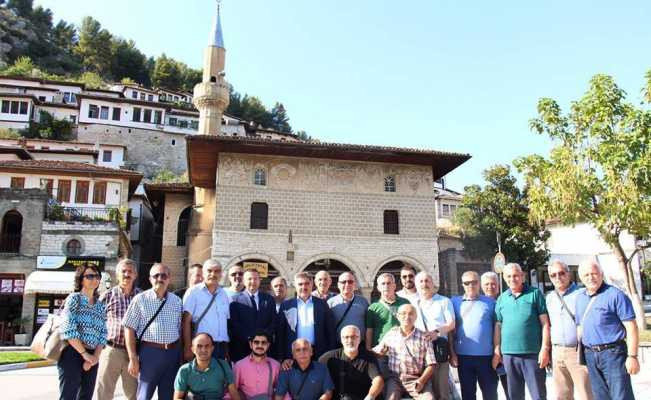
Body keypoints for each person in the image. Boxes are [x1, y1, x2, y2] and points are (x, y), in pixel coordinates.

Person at [576, 260, 639, 400]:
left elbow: (632, 327)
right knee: (600, 397)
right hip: (591, 355)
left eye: (594, 273)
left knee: (621, 396)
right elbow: (580, 327)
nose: (591, 277)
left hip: (613, 354)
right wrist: (581, 356)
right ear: (581, 278)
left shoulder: (616, 295)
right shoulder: (580, 298)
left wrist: (632, 357)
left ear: (601, 274)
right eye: (586, 275)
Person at [123, 263, 183, 400]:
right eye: (156, 275)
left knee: (168, 395)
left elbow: (179, 329)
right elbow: (129, 328)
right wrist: (133, 358)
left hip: (172, 354)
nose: (160, 278)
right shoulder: (140, 299)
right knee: (144, 395)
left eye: (164, 275)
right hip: (150, 354)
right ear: (150, 279)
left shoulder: (177, 301)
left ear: (169, 278)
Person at [493, 263, 550, 400]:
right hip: (509, 356)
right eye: (509, 276)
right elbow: (498, 326)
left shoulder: (535, 294)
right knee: (514, 396)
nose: (513, 279)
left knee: (538, 395)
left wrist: (545, 349)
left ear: (522, 276)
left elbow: (545, 324)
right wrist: (497, 350)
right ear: (505, 279)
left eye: (516, 275)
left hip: (532, 354)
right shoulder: (501, 299)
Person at [58, 263, 107, 400]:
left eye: (97, 276)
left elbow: (103, 333)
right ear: (81, 280)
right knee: (69, 395)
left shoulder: (100, 305)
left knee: (86, 396)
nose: (94, 279)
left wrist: (95, 357)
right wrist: (84, 354)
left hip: (92, 354)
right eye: (90, 276)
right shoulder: (74, 299)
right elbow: (68, 329)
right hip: (72, 353)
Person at [545, 261, 593, 400]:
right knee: (562, 395)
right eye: (553, 275)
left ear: (569, 274)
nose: (558, 277)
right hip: (557, 352)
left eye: (561, 273)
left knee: (586, 393)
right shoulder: (549, 297)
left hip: (578, 352)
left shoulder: (582, 294)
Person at [96, 259, 142, 400]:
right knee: (104, 391)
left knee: (133, 392)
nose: (127, 274)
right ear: (117, 275)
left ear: (135, 275)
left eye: (130, 271)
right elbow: (97, 322)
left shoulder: (142, 297)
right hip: (111, 350)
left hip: (133, 353)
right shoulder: (107, 296)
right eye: (123, 271)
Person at [450, 271, 498, 400]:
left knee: (490, 394)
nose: (471, 285)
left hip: (487, 357)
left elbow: (497, 328)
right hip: (463, 357)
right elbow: (450, 330)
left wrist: (497, 352)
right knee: (468, 394)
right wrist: (452, 353)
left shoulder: (490, 302)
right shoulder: (454, 302)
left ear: (479, 284)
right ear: (462, 285)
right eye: (467, 283)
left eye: (474, 282)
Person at [373, 304, 435, 400]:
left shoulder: (424, 337)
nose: (407, 317)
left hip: (416, 378)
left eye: (411, 314)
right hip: (395, 379)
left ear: (415, 317)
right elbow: (377, 351)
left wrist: (421, 381)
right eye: (403, 314)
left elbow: (431, 364)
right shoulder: (391, 334)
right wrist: (379, 353)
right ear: (398, 316)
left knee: (429, 398)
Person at [276, 272, 336, 362]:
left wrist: (330, 354)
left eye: (307, 284)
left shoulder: (322, 304)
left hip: (318, 353)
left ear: (312, 285)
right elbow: (280, 333)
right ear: (295, 285)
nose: (304, 287)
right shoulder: (286, 305)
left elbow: (330, 331)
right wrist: (282, 357)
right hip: (293, 353)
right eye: (300, 284)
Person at [413, 271, 455, 400]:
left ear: (433, 283)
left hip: (438, 351)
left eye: (427, 281)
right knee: (424, 391)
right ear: (416, 284)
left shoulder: (444, 301)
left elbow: (451, 324)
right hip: (419, 354)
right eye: (421, 281)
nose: (424, 284)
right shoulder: (414, 303)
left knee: (442, 391)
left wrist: (436, 333)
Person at [182, 259, 231, 361]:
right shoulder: (193, 292)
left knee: (219, 377)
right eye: (209, 271)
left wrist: (226, 350)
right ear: (203, 273)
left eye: (217, 271)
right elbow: (185, 321)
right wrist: (187, 347)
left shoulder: (224, 294)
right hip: (202, 347)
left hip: (221, 347)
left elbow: (225, 322)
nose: (213, 274)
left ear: (221, 274)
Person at [319, 325, 384, 400]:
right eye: (346, 337)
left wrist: (370, 396)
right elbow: (317, 377)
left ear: (359, 339)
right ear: (341, 340)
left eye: (354, 337)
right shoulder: (328, 358)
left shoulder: (368, 357)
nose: (350, 340)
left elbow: (378, 380)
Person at [173, 332, 240, 400]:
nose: (203, 350)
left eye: (207, 346)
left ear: (212, 348)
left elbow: (234, 393)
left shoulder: (223, 365)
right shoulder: (184, 370)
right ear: (193, 349)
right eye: (199, 346)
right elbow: (177, 398)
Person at [229, 269, 276, 362]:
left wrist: (262, 339)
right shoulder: (235, 300)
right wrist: (251, 340)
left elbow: (273, 321)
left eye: (255, 279)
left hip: (264, 348)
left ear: (259, 281)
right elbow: (234, 324)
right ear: (244, 281)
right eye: (249, 279)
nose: (253, 281)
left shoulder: (269, 299)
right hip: (242, 349)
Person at [481, 271, 509, 399]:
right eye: (487, 284)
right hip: (486, 355)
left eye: (493, 284)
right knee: (490, 393)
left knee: (511, 390)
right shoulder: (479, 304)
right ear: (482, 286)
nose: (490, 287)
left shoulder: (505, 302)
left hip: (505, 354)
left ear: (498, 285)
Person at [365, 273, 410, 351]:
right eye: (383, 284)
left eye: (389, 283)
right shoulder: (373, 307)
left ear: (394, 286)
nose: (386, 286)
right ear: (378, 288)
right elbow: (369, 330)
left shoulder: (405, 303)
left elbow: (412, 323)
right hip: (381, 350)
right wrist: (368, 349)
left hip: (402, 348)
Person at [233, 331, 281, 399]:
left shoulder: (275, 365)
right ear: (250, 344)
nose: (260, 345)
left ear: (268, 345)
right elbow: (231, 391)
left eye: (263, 343)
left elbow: (282, 391)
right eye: (256, 342)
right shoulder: (239, 366)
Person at [327, 272, 369, 343]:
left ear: (354, 285)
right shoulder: (330, 303)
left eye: (350, 282)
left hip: (359, 345)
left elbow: (369, 325)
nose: (347, 284)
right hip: (338, 344)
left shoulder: (363, 302)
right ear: (338, 285)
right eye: (343, 282)